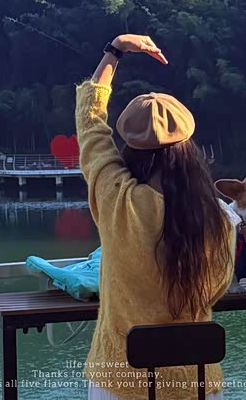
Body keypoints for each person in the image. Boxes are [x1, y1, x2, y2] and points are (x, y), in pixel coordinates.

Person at [74, 33, 234, 400]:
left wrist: (114, 50)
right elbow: (217, 289)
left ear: (130, 150)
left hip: (120, 382)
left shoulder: (118, 200)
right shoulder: (217, 217)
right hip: (196, 381)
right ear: (189, 150)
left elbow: (90, 125)